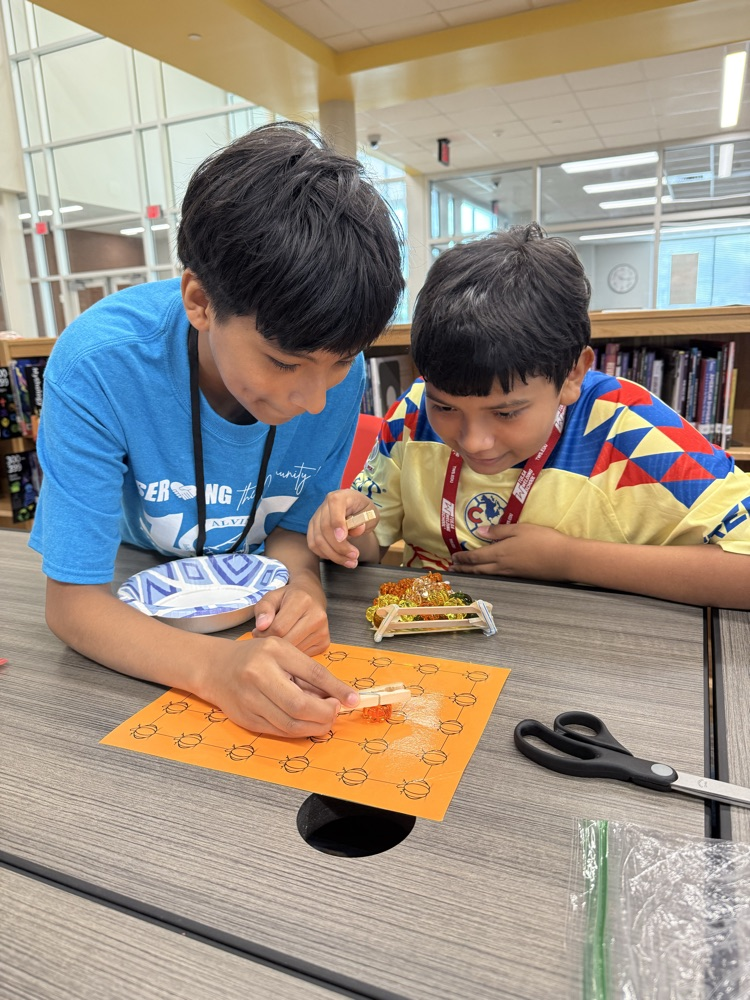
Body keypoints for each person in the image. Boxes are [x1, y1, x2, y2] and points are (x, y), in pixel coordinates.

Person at [30, 121, 405, 736]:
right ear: (200, 302)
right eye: (284, 363)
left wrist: (303, 587)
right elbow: (73, 605)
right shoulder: (101, 364)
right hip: (134, 593)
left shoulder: (333, 368)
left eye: (337, 364)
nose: (314, 399)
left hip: (250, 614)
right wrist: (215, 670)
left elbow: (290, 532)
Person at [308, 223, 750, 610]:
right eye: (445, 406)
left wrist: (569, 559)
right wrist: (347, 530)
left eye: (506, 411)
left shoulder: (626, 430)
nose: (475, 439)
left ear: (573, 374)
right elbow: (371, 544)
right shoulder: (412, 416)